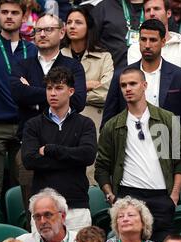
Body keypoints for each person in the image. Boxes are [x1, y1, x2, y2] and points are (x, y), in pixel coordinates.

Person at [95, 68, 181, 242]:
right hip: (128, 196)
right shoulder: (113, 125)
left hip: (161, 196)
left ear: (144, 85)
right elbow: (101, 167)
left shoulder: (167, 119)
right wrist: (111, 196)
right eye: (123, 85)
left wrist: (174, 195)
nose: (127, 89)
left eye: (133, 84)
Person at [11, 13, 86, 223]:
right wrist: (57, 96)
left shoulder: (72, 65)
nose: (42, 34)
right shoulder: (21, 64)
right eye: (38, 30)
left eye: (48, 30)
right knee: (35, 215)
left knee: (66, 214)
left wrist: (32, 93)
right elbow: (17, 94)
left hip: (65, 145)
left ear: (62, 33)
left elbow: (78, 101)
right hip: (30, 147)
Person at [21, 66, 97, 232]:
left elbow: (88, 155)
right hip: (42, 208)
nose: (53, 93)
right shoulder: (33, 125)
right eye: (49, 88)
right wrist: (72, 159)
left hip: (76, 206)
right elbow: (29, 160)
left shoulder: (85, 124)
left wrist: (50, 150)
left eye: (58, 88)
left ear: (70, 91)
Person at [0, 0, 37, 200]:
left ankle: (22, 231)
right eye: (4, 12)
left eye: (14, 12)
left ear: (23, 17)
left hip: (25, 125)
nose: (9, 16)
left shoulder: (32, 50)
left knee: (22, 185)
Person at [101, 18, 181, 127]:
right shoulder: (121, 76)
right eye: (143, 39)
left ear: (163, 42)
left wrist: (178, 142)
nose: (147, 45)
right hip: (129, 139)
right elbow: (108, 122)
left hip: (169, 140)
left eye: (152, 40)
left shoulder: (180, 76)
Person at [62, 6, 114, 185]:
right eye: (69, 22)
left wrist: (70, 93)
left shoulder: (104, 56)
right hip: (63, 125)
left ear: (88, 27)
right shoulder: (59, 56)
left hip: (94, 123)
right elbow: (51, 90)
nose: (72, 26)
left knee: (92, 177)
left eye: (78, 22)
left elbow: (107, 93)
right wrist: (86, 86)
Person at [128, 0, 181, 88]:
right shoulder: (135, 48)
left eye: (156, 9)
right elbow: (134, 86)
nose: (152, 13)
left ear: (168, 13)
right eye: (148, 10)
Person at [92, 0, 145, 69]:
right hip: (111, 74)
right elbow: (90, 42)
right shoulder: (104, 7)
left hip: (149, 74)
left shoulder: (155, 6)